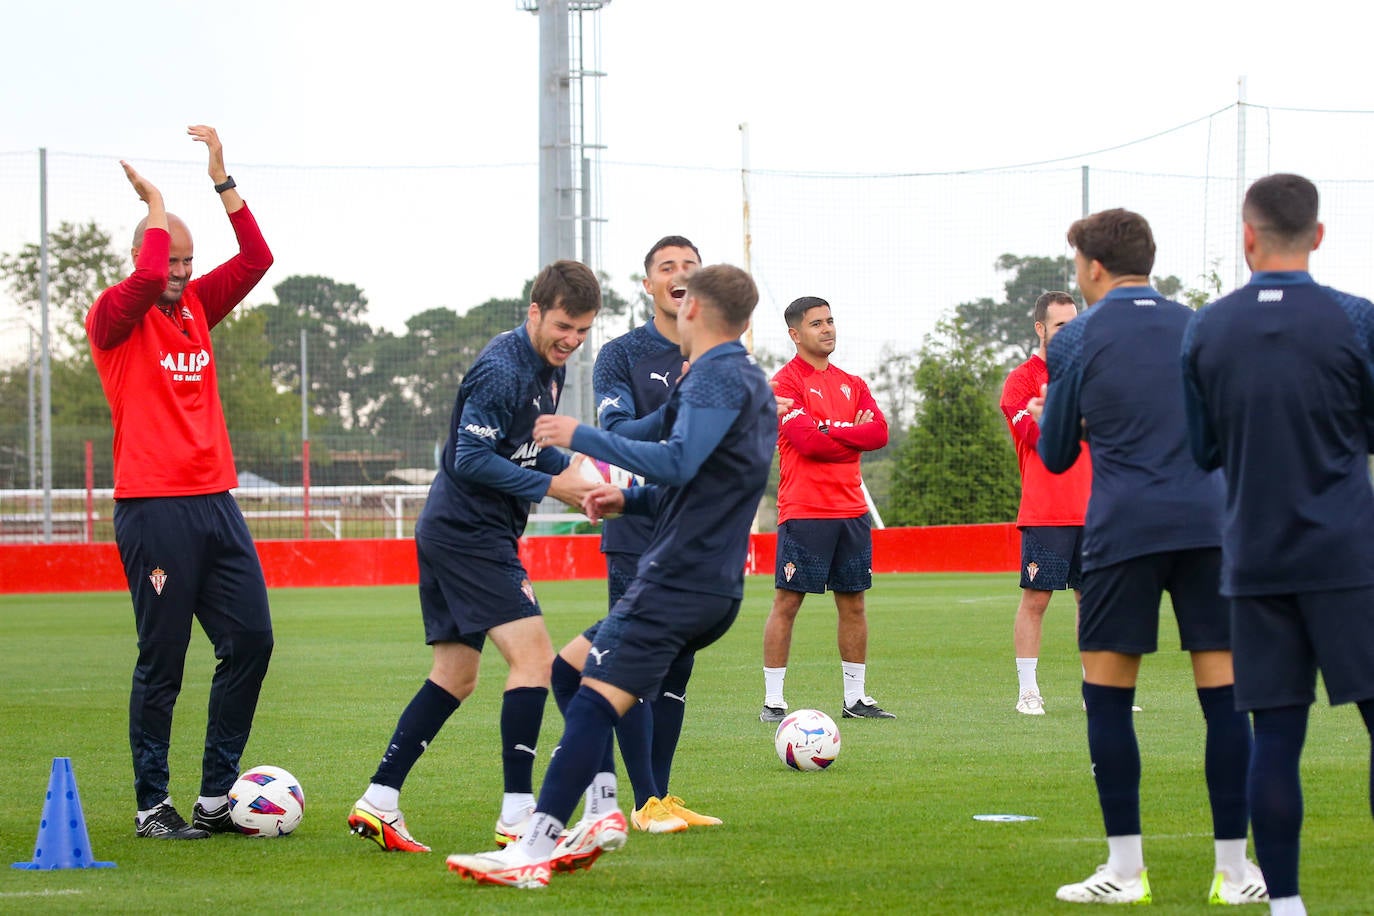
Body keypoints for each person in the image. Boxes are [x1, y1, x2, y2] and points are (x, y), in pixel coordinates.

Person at [446, 263, 776, 888]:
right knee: (571, 671)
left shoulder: (714, 377)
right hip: (705, 581)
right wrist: (628, 501)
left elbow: (677, 464)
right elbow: (697, 485)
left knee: (595, 699)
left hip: (680, 580)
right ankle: (599, 815)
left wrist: (583, 436)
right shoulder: (744, 381)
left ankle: (532, 851)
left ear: (695, 313)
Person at [1034, 208, 1265, 905]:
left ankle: (1126, 872)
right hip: (1210, 526)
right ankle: (1236, 870)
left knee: (1108, 700)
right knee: (1225, 702)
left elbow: (1054, 453)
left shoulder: (1075, 339)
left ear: (1094, 267)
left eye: (1078, 264)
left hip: (1123, 530)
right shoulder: (1202, 324)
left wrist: (1073, 415)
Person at [347, 260, 603, 853]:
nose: (572, 340)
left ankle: (380, 800)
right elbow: (467, 458)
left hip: (456, 530)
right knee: (536, 660)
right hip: (470, 533)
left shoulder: (546, 366)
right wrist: (555, 487)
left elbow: (523, 448)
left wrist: (582, 477)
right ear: (535, 311)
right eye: (564, 325)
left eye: (583, 331)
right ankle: (518, 816)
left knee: (455, 677)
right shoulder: (502, 367)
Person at [1182, 174, 1374, 916]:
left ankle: (1285, 904)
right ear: (1318, 236)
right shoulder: (1355, 320)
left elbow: (1202, 449)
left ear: (1247, 235)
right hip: (1348, 557)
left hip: (1255, 561)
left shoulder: (1206, 329)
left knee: (1275, 736)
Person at [85, 126, 276, 839]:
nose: (179, 273)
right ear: (142, 256)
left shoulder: (194, 306)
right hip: (153, 507)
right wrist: (157, 203)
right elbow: (141, 281)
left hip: (215, 504)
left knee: (252, 641)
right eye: (170, 259)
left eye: (187, 263)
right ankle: (151, 805)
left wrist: (221, 181)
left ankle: (215, 797)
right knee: (163, 660)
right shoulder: (113, 317)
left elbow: (257, 258)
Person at [550, 235, 719, 837]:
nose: (679, 275)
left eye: (690, 267)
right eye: (666, 267)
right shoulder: (622, 354)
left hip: (699, 535)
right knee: (635, 662)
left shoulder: (722, 354)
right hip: (638, 529)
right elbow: (618, 428)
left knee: (677, 668)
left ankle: (659, 798)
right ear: (648, 284)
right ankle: (644, 801)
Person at [760, 296, 892, 723]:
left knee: (854, 603)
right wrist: (846, 431)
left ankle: (855, 699)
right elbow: (807, 443)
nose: (828, 329)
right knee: (787, 602)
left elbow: (879, 434)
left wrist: (829, 427)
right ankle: (774, 702)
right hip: (805, 510)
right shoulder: (784, 384)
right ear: (795, 334)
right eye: (817, 324)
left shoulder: (852, 382)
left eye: (830, 320)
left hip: (851, 510)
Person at [998, 292, 1091, 716]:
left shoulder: (1091, 374)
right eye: (1060, 326)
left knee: (1095, 600)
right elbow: (1040, 440)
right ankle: (1028, 692)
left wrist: (1053, 413)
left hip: (1097, 509)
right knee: (1036, 600)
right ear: (1040, 329)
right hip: (1047, 510)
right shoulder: (1020, 381)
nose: (1070, 333)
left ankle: (1101, 689)